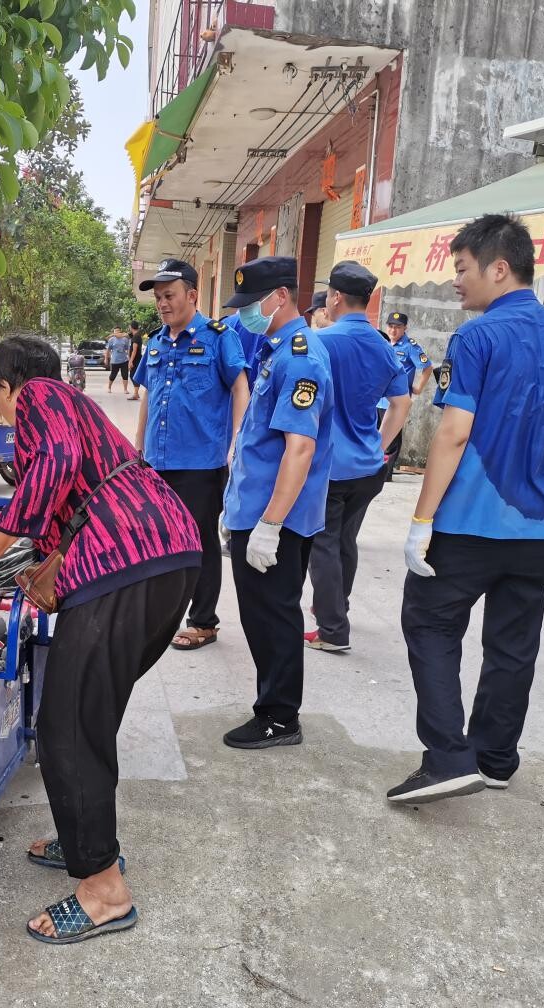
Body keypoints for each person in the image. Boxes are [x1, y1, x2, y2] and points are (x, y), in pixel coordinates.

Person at [0, 335, 201, 944]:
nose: (3, 412)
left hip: (129, 563)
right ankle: (86, 839)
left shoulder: (39, 395)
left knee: (65, 727)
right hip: (166, 557)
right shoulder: (75, 404)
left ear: (6, 386)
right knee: (88, 717)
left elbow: (54, 462)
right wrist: (30, 558)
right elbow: (72, 492)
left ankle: (104, 892)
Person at [392, 214, 544, 804]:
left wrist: (421, 520)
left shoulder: (476, 338)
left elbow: (454, 432)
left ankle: (448, 759)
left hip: (468, 525)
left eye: (462, 269)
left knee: (429, 623)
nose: (456, 281)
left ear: (498, 268)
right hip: (540, 529)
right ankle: (496, 757)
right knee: (513, 643)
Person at [220, 256, 334, 750]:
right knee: (260, 614)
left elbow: (300, 448)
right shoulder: (278, 348)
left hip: (276, 517)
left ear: (281, 296)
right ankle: (273, 704)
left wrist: (269, 524)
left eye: (252, 303)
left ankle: (279, 716)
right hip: (256, 508)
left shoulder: (301, 357)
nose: (246, 313)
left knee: (274, 616)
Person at [133, 258, 248, 651]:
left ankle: (203, 621)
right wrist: (137, 446)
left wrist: (236, 444)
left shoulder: (218, 338)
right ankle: (155, 614)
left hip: (200, 464)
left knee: (199, 543)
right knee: (157, 539)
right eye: (159, 298)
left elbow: (240, 388)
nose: (162, 304)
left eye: (170, 295)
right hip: (156, 462)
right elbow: (147, 394)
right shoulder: (155, 341)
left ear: (193, 295)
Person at [304, 262, 411, 653]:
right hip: (368, 465)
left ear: (334, 297)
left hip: (330, 465)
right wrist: (380, 446)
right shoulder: (385, 345)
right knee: (346, 539)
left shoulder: (322, 342)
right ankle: (337, 607)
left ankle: (332, 629)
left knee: (324, 543)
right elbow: (401, 404)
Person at [380, 311, 434, 477]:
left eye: (398, 327)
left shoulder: (410, 346)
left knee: (392, 437)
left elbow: (427, 367)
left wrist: (418, 388)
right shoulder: (381, 341)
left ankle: (385, 474)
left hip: (397, 400)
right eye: (390, 326)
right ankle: (372, 471)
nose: (393, 330)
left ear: (405, 328)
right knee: (376, 435)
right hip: (379, 398)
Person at [105, 326, 132, 394]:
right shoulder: (111, 340)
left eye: (118, 330)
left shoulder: (125, 339)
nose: (117, 332)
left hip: (124, 360)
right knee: (113, 375)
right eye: (115, 331)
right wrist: (106, 359)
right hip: (114, 360)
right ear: (114, 332)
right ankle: (109, 387)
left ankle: (125, 389)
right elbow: (107, 350)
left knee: (125, 375)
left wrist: (129, 358)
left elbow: (128, 349)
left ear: (120, 331)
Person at [127, 321, 144, 400]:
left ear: (131, 327)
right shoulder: (136, 335)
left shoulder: (136, 337)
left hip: (136, 359)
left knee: (133, 375)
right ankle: (136, 393)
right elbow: (125, 335)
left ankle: (136, 394)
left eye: (129, 327)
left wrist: (131, 361)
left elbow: (134, 350)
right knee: (133, 375)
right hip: (136, 359)